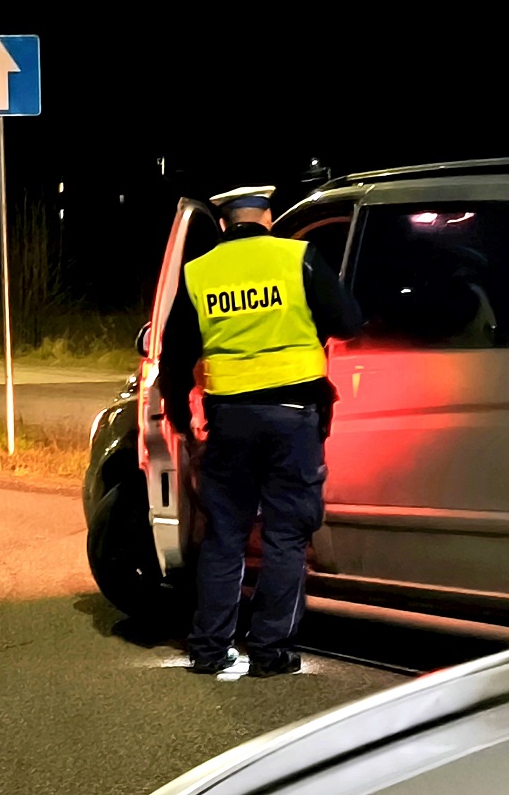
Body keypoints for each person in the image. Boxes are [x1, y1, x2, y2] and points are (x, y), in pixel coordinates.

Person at [159, 185, 362, 677]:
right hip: (294, 419)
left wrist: (184, 425)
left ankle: (209, 649)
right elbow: (349, 321)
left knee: (225, 536)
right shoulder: (299, 258)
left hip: (229, 422)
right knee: (286, 537)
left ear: (225, 224)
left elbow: (174, 355)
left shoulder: (199, 271)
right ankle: (271, 653)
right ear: (268, 217)